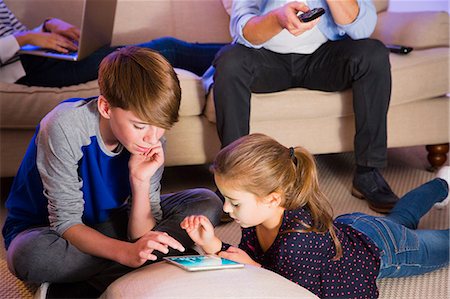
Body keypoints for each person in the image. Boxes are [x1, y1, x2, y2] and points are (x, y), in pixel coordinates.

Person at [2, 46, 223, 298]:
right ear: (106, 107)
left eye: (160, 126)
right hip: (51, 230)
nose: (152, 137)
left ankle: (80, 284)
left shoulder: (151, 140)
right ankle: (148, 263)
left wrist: (140, 182)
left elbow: (142, 233)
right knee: (30, 257)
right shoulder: (64, 125)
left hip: (112, 222)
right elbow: (66, 223)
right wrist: (128, 253)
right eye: (139, 125)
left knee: (207, 202)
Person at [181, 133, 450, 299]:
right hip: (355, 229)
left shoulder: (297, 243)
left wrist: (256, 269)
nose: (226, 209)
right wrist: (212, 245)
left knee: (435, 243)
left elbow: (299, 294)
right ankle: (442, 184)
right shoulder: (257, 216)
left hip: (384, 249)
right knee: (399, 219)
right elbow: (248, 260)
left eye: (234, 202)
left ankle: (442, 185)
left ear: (273, 198)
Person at [209, 0, 397, 213]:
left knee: (373, 54)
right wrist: (277, 18)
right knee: (230, 61)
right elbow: (243, 32)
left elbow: (363, 27)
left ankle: (368, 173)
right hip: (267, 61)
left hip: (322, 59)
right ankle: (233, 178)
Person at [0, 0, 223, 87]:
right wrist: (25, 39)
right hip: (25, 70)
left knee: (167, 48)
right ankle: (237, 53)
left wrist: (47, 27)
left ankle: (236, 54)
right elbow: (19, 39)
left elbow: (16, 34)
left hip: (38, 56)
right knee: (167, 49)